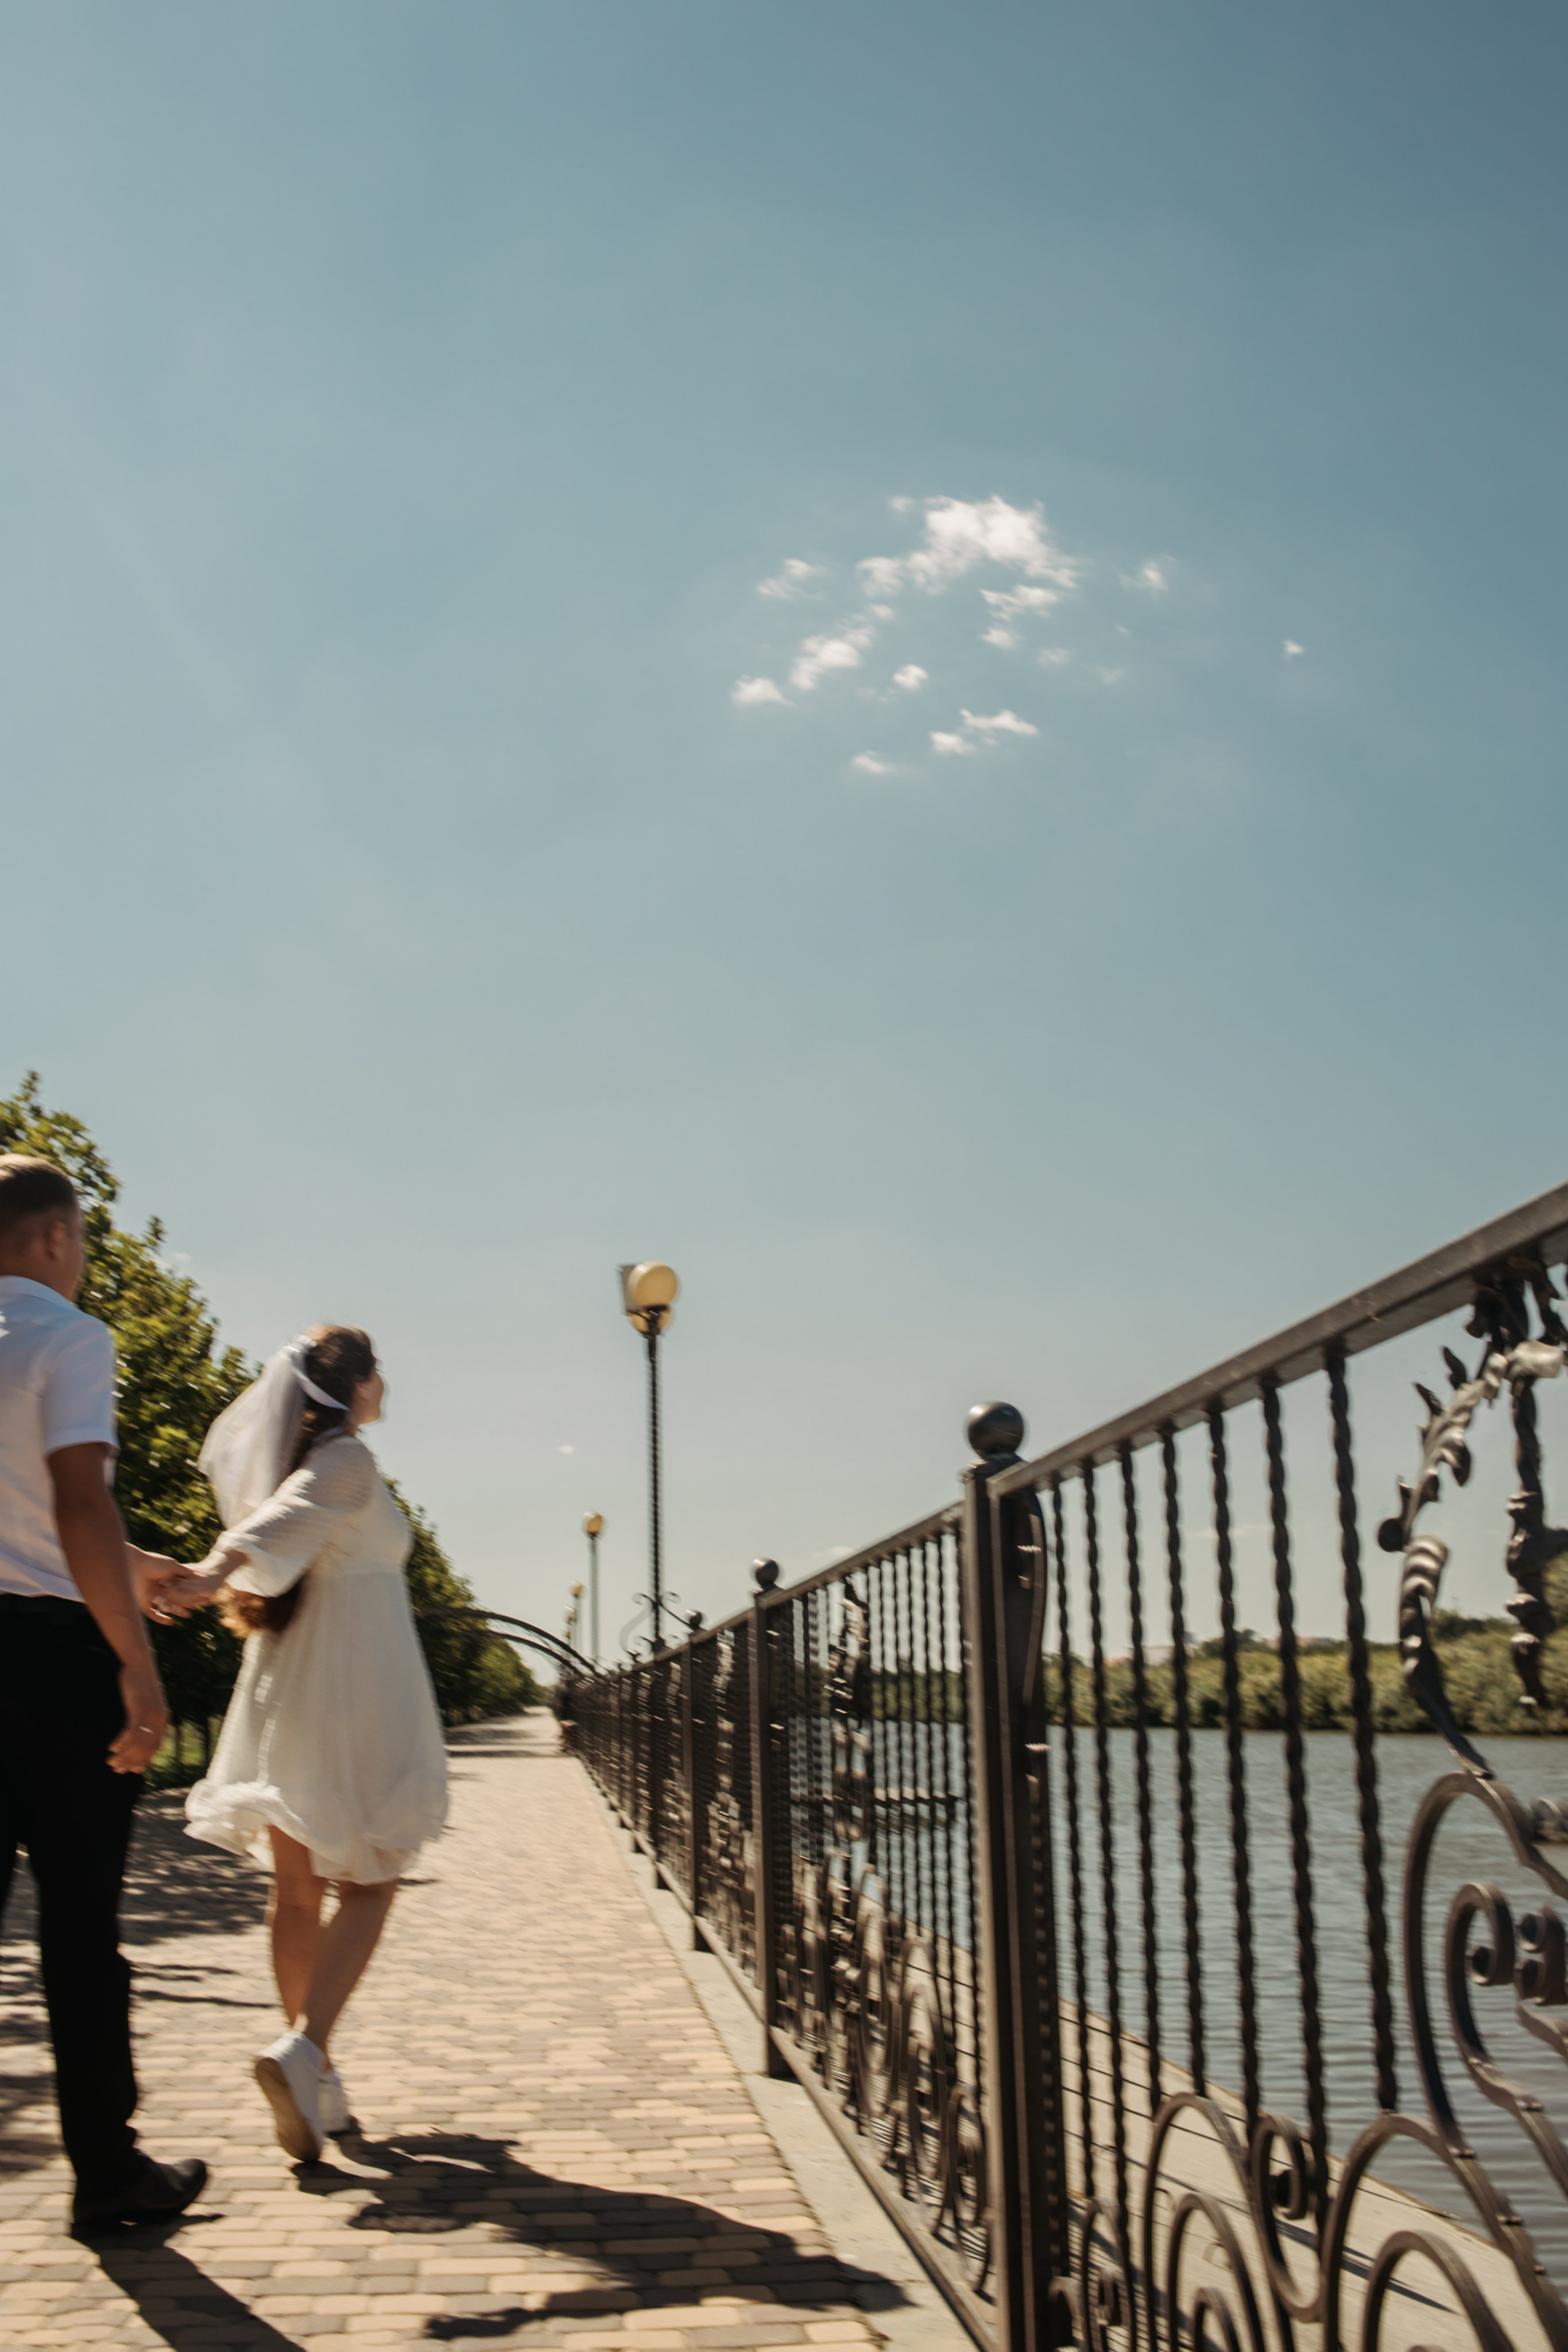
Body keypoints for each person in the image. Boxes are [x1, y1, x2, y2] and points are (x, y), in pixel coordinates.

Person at [164, 1327, 448, 2163]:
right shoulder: (348, 1460)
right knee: (377, 1875)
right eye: (378, 1369)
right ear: (357, 1387)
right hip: (358, 1688)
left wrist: (210, 1576)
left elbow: (271, 1524)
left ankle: (319, 2085)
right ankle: (306, 2047)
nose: (386, 1379)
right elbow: (274, 1526)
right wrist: (213, 1574)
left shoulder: (314, 1461)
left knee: (297, 1893)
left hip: (290, 1686)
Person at [0, 1155, 208, 2233]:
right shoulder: (68, 1339)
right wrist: (136, 1659)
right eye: (78, 1241)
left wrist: (144, 1569)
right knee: (80, 1934)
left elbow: (37, 1519)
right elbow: (75, 1503)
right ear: (48, 1240)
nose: (82, 1260)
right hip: (48, 1668)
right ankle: (108, 2175)